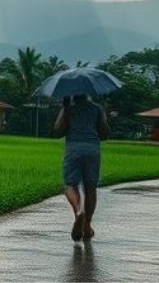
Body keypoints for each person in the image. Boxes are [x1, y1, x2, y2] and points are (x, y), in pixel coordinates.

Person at [53, 94, 111, 241]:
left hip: (73, 150)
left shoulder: (68, 108)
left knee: (70, 186)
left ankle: (79, 211)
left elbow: (58, 131)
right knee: (90, 188)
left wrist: (65, 109)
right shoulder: (97, 109)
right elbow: (104, 134)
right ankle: (86, 225)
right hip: (92, 150)